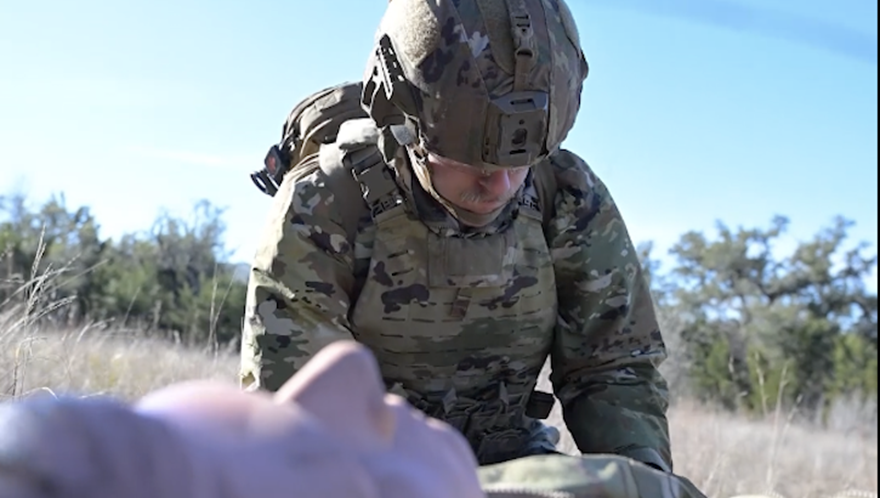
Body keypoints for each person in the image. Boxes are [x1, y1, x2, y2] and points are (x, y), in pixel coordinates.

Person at [241, 0, 673, 472]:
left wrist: (640, 477)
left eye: (520, 163)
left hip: (510, 468)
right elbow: (297, 420)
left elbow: (613, 368)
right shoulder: (326, 204)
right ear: (406, 126)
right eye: (474, 163)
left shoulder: (567, 195)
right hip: (368, 471)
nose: (501, 185)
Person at [0, 341, 713, 498]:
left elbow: (611, 365)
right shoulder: (335, 195)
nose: (346, 369)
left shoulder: (570, 199)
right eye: (330, 471)